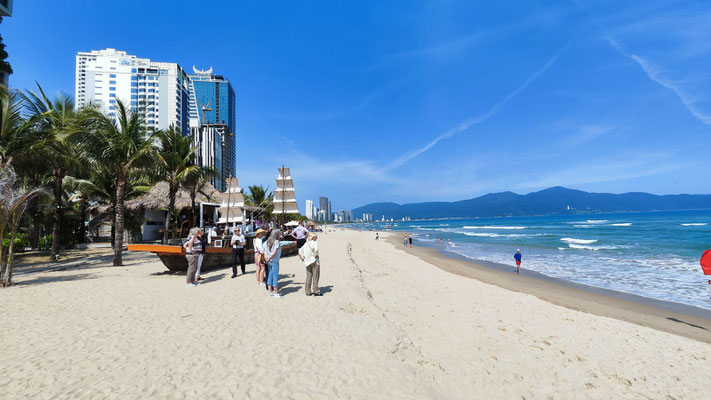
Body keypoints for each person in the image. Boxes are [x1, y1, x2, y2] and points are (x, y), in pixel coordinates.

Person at [263, 229, 295, 298]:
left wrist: (266, 258)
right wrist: (269, 258)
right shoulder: (277, 242)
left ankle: (270, 292)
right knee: (275, 276)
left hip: (269, 261)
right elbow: (274, 252)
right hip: (274, 261)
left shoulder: (268, 241)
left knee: (270, 275)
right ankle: (276, 293)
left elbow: (265, 250)